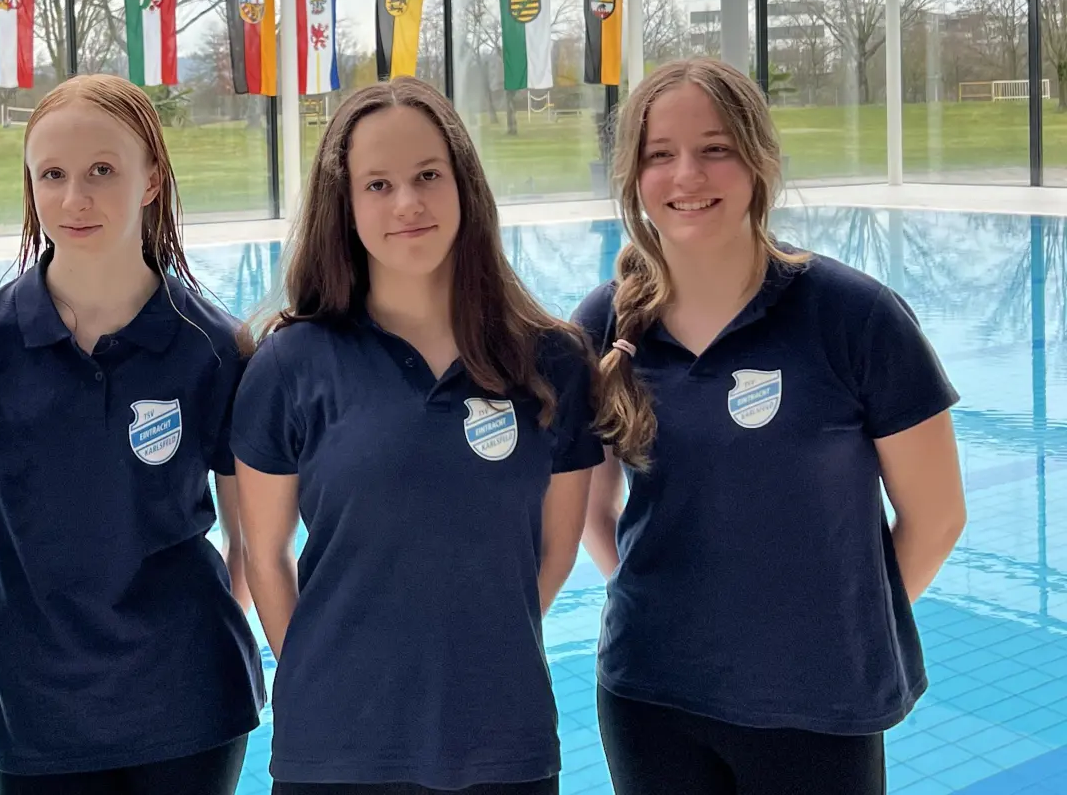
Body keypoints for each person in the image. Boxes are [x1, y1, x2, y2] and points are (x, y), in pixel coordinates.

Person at [573, 57, 968, 795]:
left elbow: (937, 515)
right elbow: (587, 503)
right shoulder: (602, 323)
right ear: (633, 175)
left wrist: (829, 631)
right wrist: (636, 591)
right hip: (648, 693)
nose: (687, 176)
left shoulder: (855, 318)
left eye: (715, 148)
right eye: (661, 155)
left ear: (759, 160)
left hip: (815, 705)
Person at [231, 76, 601, 795]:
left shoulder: (550, 360)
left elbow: (554, 551)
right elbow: (265, 552)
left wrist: (479, 644)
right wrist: (314, 670)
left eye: (428, 175)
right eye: (378, 184)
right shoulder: (291, 364)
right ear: (346, 204)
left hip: (502, 737)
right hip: (335, 750)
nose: (408, 203)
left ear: (464, 183)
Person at [0, 73, 264, 795]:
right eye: (53, 175)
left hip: (191, 701)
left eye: (103, 171)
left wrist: (185, 647)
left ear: (150, 179)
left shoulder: (212, 345)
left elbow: (251, 542)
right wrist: (20, 658)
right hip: (40, 716)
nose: (75, 199)